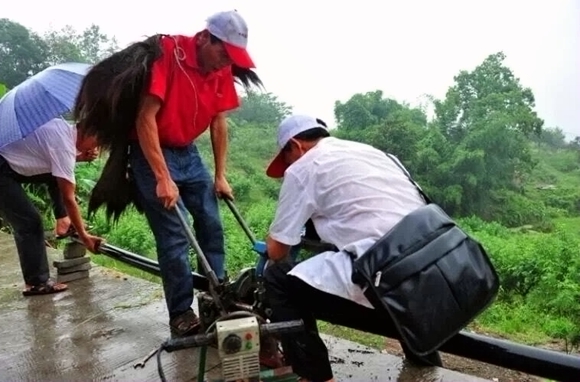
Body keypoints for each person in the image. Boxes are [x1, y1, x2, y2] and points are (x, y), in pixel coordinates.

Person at [262, 114, 443, 382]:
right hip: (436, 267)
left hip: (386, 277)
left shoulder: (303, 168)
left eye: (287, 159)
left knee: (278, 278)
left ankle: (315, 376)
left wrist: (272, 239)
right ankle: (425, 365)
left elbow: (278, 251)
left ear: (295, 145)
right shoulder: (376, 154)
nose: (289, 166)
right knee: (388, 271)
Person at [126, 10, 257, 337]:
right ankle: (181, 313)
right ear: (203, 38)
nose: (226, 63)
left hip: (188, 153)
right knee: (175, 236)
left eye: (232, 58)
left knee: (211, 223)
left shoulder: (221, 69)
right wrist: (161, 177)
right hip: (151, 151)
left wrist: (221, 174)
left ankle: (218, 296)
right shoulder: (169, 53)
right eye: (222, 52)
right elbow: (145, 118)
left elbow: (218, 121)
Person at [0, 117, 104, 296]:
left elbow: (52, 160)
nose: (96, 148)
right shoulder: (63, 144)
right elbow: (69, 197)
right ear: (86, 134)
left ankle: (62, 222)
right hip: (3, 170)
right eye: (96, 142)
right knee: (29, 222)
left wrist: (78, 157)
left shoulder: (62, 128)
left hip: (11, 162)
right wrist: (84, 235)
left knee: (56, 175)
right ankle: (36, 283)